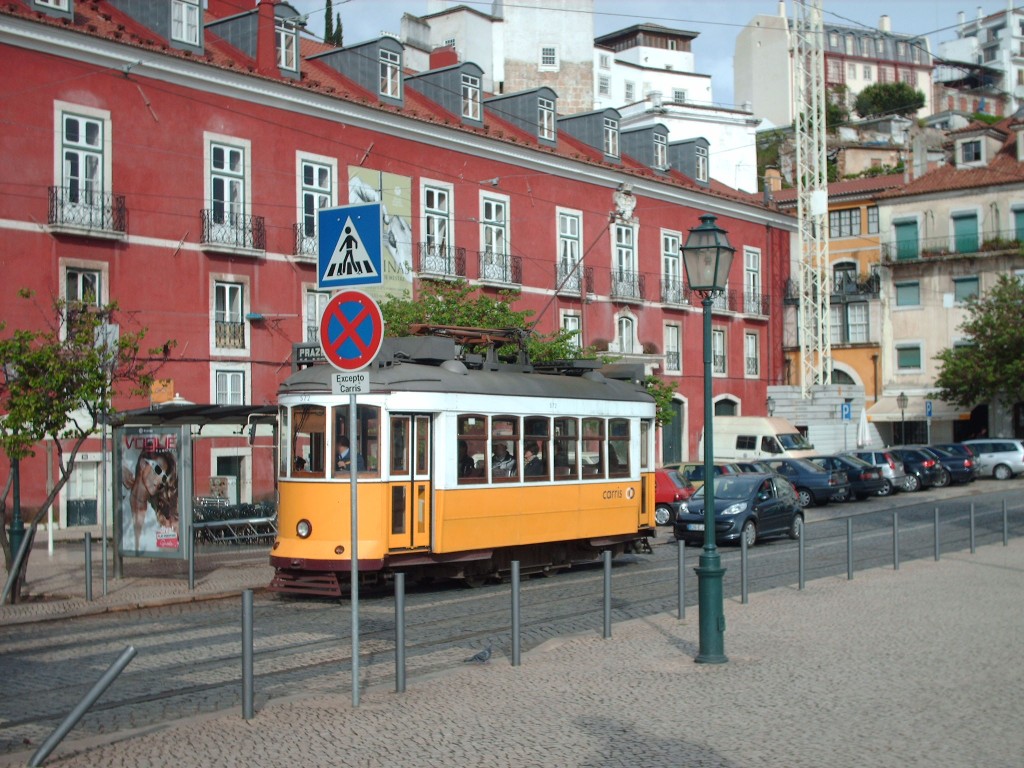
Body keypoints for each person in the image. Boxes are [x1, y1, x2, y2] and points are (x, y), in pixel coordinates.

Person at [121, 449, 179, 553]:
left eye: (164, 478)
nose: (159, 480)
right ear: (143, 464)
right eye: (158, 470)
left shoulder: (156, 517)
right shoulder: (121, 508)